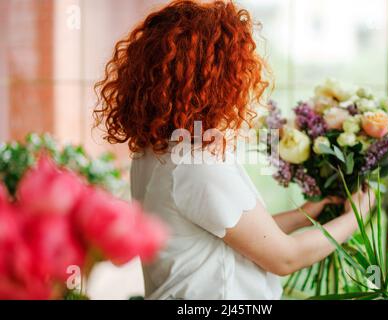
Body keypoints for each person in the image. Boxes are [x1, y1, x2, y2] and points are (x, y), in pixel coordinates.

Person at [94, 0, 372, 300]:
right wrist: (356, 218)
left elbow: (229, 233)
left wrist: (302, 216)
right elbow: (286, 258)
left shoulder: (155, 150)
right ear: (215, 82)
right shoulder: (196, 165)